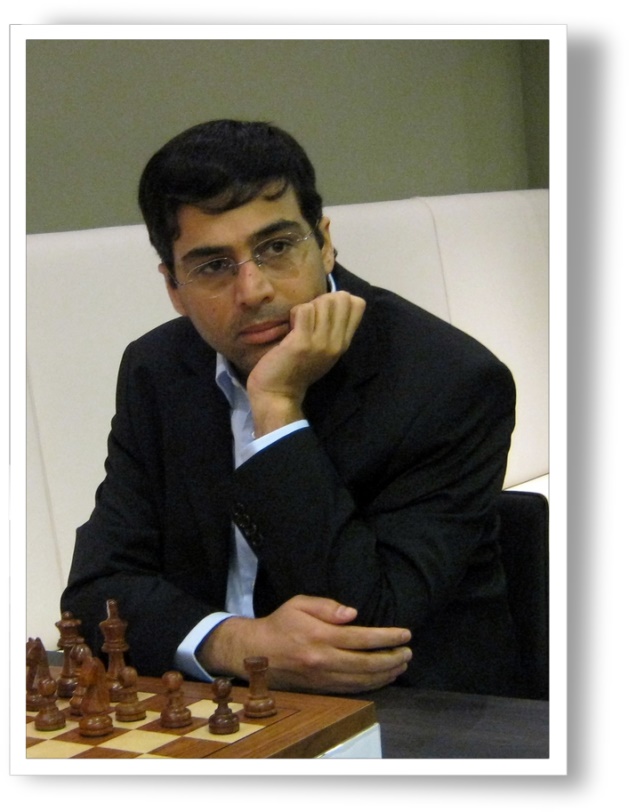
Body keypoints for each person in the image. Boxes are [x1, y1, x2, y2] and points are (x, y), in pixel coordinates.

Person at [61, 119, 521, 696]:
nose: (253, 289)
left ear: (324, 242)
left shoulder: (448, 382)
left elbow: (367, 625)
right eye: (213, 266)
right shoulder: (157, 370)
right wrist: (236, 643)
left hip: (412, 714)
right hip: (220, 702)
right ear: (173, 287)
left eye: (277, 247)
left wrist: (277, 406)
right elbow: (95, 592)